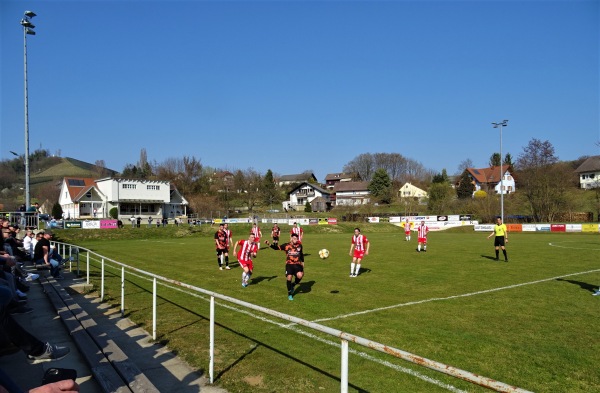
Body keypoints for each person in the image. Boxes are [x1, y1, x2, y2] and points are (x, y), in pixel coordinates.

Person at [265, 233, 304, 300]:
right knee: (289, 277)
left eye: (296, 239)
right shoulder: (286, 245)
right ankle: (290, 294)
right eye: (294, 238)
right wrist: (269, 244)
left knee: (300, 275)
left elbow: (301, 255)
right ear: (291, 238)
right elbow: (276, 248)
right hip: (289, 265)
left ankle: (293, 284)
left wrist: (303, 263)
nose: (295, 240)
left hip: (297, 264)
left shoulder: (299, 245)